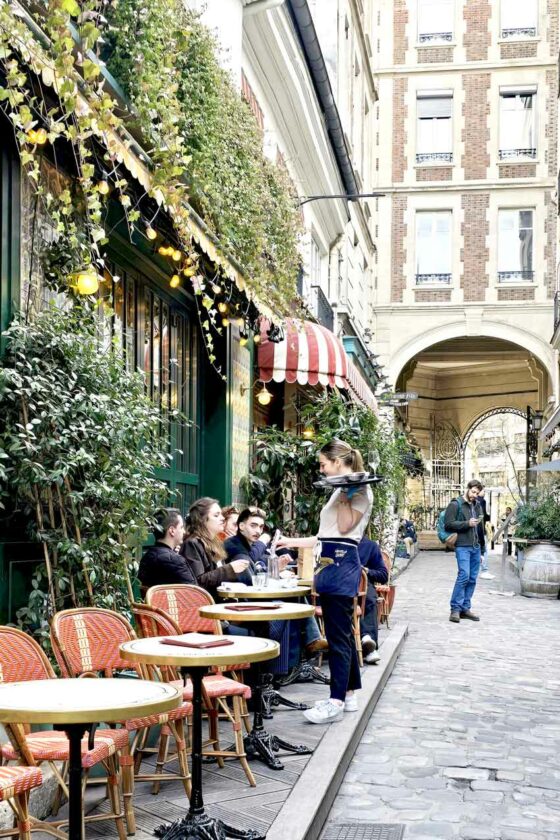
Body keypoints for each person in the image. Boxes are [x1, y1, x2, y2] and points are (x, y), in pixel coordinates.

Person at [279, 439, 373, 724]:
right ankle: (350, 694)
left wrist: (345, 491)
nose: (321, 470)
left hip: (343, 565)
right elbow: (326, 536)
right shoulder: (339, 492)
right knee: (340, 634)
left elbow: (345, 528)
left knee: (338, 637)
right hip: (329, 564)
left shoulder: (359, 491)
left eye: (323, 465)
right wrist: (289, 541)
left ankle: (335, 700)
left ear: (337, 462)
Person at [224, 507, 327, 658]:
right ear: (241, 526)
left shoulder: (251, 545)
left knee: (296, 597)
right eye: (253, 525)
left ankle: (309, 645)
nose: (258, 530)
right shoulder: (233, 544)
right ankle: (303, 649)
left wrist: (277, 567)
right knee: (289, 604)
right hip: (244, 599)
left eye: (260, 526)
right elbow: (250, 565)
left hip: (257, 593)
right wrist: (263, 541)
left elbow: (260, 568)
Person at [179, 497, 250, 600]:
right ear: (202, 520)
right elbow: (197, 583)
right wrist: (230, 569)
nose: (222, 518)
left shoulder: (216, 542)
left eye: (221, 514)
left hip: (224, 602)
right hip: (208, 607)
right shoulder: (192, 544)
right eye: (216, 515)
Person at [444, 479, 485, 623]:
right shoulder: (455, 504)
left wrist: (482, 551)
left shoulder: (478, 506)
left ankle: (465, 608)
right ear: (467, 489)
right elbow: (448, 524)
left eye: (477, 493)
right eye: (473, 492)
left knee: (472, 579)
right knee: (464, 576)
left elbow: (481, 529)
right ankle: (455, 609)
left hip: (475, 547)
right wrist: (466, 524)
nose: (475, 495)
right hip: (462, 546)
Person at [138, 508, 193, 591]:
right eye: (181, 527)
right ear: (172, 531)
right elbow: (195, 594)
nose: (184, 531)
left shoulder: (146, 557)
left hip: (153, 604)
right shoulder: (176, 560)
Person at [359, 535, 388, 665]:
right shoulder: (336, 542)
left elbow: (383, 575)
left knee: (370, 600)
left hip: (364, 584)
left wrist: (366, 570)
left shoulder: (369, 545)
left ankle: (369, 648)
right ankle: (366, 638)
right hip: (340, 585)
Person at [477, 488, 494, 580]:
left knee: (479, 550)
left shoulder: (475, 501)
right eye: (483, 491)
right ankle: (484, 570)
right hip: (480, 530)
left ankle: (482, 569)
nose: (484, 493)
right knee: (483, 550)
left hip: (477, 530)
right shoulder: (481, 501)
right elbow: (484, 516)